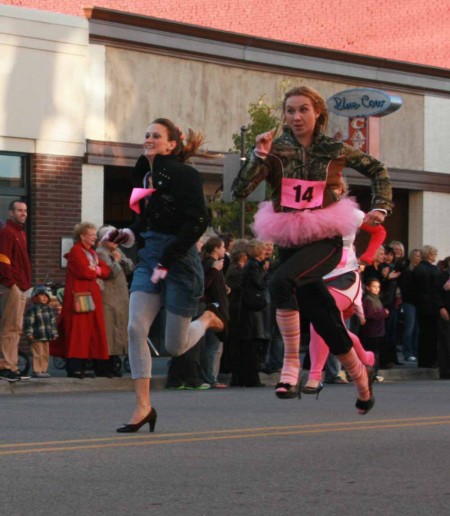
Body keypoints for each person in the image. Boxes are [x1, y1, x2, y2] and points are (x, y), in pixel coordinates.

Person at [232, 85, 393, 414]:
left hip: (325, 236)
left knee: (279, 282)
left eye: (303, 109)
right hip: (289, 238)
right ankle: (362, 381)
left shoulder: (334, 149)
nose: (296, 117)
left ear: (317, 112)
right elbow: (239, 190)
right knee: (325, 319)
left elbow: (377, 169)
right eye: (290, 111)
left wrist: (382, 207)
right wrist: (257, 156)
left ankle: (290, 365)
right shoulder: (276, 150)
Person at [107, 118, 224, 433]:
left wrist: (171, 254)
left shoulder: (185, 174)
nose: (148, 139)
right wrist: (123, 233)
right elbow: (142, 221)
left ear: (172, 144)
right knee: (135, 328)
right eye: (146, 134)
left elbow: (199, 220)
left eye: (156, 135)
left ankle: (206, 321)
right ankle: (143, 406)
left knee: (174, 346)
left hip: (179, 261)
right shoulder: (141, 173)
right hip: (149, 260)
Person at [56, 222, 111, 379]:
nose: (95, 237)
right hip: (79, 296)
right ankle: (75, 367)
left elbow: (105, 270)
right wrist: (96, 270)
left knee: (93, 332)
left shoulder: (91, 253)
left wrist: (95, 270)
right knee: (78, 332)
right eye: (92, 234)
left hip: (91, 295)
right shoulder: (76, 251)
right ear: (83, 236)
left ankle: (91, 364)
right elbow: (84, 271)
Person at [96, 225, 135, 377]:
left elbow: (130, 267)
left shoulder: (117, 252)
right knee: (108, 330)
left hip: (120, 297)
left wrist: (121, 260)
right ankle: (105, 366)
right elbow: (109, 273)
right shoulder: (101, 253)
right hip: (108, 296)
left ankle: (114, 362)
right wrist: (117, 262)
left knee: (118, 329)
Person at [0, 200, 32, 382]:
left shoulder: (20, 233)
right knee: (9, 326)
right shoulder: (7, 232)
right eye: (19, 210)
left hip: (20, 286)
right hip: (12, 286)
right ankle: (5, 365)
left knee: (16, 327)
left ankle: (12, 365)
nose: (23, 213)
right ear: (11, 213)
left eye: (25, 211)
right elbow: (3, 259)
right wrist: (11, 283)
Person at [236, 239, 270, 387]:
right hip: (252, 308)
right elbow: (259, 283)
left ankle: (248, 377)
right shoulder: (254, 266)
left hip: (249, 307)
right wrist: (267, 273)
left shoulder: (252, 265)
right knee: (252, 344)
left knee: (250, 344)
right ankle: (251, 378)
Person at [200, 236, 230, 388]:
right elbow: (203, 285)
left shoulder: (216, 264)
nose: (224, 249)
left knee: (216, 345)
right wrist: (213, 270)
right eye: (223, 247)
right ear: (216, 248)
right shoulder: (210, 264)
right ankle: (210, 378)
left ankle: (212, 376)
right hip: (214, 308)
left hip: (219, 305)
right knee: (213, 345)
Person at [224, 239, 249, 386]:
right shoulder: (235, 270)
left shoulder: (238, 268)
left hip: (237, 307)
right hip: (235, 308)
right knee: (234, 341)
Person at [412, 245, 440, 368]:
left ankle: (423, 360)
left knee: (423, 333)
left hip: (420, 304)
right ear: (429, 255)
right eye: (433, 254)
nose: (435, 256)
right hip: (432, 305)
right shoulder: (434, 270)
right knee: (432, 334)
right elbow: (437, 287)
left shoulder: (417, 269)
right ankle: (431, 360)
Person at [24, 285, 58, 377]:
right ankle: (37, 370)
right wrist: (29, 333)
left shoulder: (48, 309)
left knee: (45, 354)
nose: (44, 298)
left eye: (46, 296)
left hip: (46, 336)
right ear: (35, 297)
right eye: (42, 295)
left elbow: (53, 323)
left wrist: (54, 333)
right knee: (37, 354)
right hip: (36, 336)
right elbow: (28, 322)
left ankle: (43, 370)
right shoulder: (32, 309)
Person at [359, 278, 390, 371]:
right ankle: (372, 371)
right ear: (368, 288)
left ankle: (374, 371)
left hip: (378, 330)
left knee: (376, 352)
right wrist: (384, 313)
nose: (377, 289)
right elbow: (370, 314)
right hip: (372, 330)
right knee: (373, 352)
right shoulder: (368, 299)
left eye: (378, 287)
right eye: (374, 287)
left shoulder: (376, 298)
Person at [397, 248, 421, 362]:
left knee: (417, 328)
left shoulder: (421, 270)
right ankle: (407, 352)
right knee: (409, 328)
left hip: (419, 302)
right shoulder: (406, 269)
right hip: (408, 302)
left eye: (420, 256)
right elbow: (404, 286)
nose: (419, 258)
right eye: (417, 256)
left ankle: (416, 351)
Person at [435, 256, 450, 379]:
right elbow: (436, 294)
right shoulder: (442, 277)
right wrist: (441, 307)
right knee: (445, 340)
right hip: (446, 310)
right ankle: (445, 370)